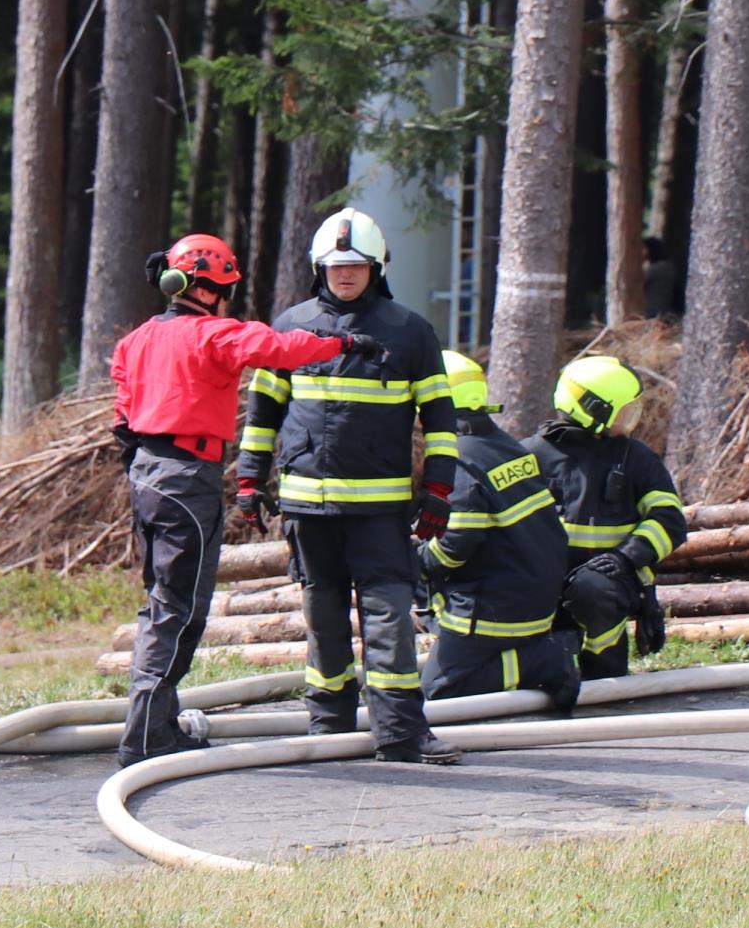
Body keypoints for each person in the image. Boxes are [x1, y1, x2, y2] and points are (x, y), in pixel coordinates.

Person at [110, 233, 381, 767]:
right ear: (209, 288)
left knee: (162, 601)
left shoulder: (136, 340)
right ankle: (145, 736)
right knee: (179, 608)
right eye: (227, 290)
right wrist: (346, 345)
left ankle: (156, 721)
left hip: (147, 474)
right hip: (188, 478)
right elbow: (277, 348)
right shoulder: (212, 335)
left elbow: (123, 410)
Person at [235, 207, 462, 765]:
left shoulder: (410, 332)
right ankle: (330, 727)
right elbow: (263, 412)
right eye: (336, 264)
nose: (345, 273)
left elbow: (440, 422)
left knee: (389, 619)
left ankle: (401, 733)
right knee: (324, 616)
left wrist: (438, 491)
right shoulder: (289, 328)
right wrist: (248, 478)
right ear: (319, 266)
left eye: (356, 264)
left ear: (377, 266)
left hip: (381, 511)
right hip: (308, 508)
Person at [417, 350, 580, 713]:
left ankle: (543, 661)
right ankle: (533, 652)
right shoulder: (504, 445)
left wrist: (418, 562)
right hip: (530, 599)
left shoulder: (458, 457)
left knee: (440, 692)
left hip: (493, 609)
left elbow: (458, 542)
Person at [523, 355, 687, 680]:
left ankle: (605, 675)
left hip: (607, 581)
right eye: (624, 411)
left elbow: (669, 520)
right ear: (593, 408)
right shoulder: (529, 457)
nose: (630, 421)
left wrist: (627, 558)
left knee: (593, 590)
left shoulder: (635, 457)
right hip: (540, 582)